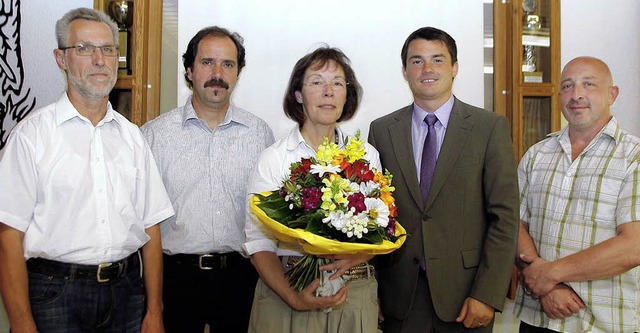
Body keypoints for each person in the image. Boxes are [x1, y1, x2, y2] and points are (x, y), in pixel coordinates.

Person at [0, 7, 174, 333]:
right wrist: (21, 322)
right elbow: (8, 235)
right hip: (53, 294)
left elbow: (151, 228)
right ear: (61, 59)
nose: (99, 59)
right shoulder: (31, 136)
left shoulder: (132, 137)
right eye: (84, 49)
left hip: (126, 292)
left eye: (108, 49)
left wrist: (155, 311)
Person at [368, 26, 520, 332]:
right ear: (404, 71)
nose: (427, 69)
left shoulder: (488, 128)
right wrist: (374, 292)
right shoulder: (382, 130)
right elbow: (374, 215)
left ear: (454, 67)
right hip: (399, 296)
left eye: (437, 60)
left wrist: (487, 294)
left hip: (466, 296)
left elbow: (504, 217)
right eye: (416, 61)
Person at [141, 26, 274, 333]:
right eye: (207, 63)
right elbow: (143, 223)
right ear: (189, 70)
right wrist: (152, 307)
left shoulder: (260, 135)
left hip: (241, 278)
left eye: (227, 64)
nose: (218, 73)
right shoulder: (153, 136)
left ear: (238, 72)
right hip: (175, 281)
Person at [244, 46, 381, 333]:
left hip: (353, 294)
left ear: (348, 95)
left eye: (337, 83)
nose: (328, 91)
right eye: (317, 82)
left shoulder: (366, 157)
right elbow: (258, 242)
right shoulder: (275, 158)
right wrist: (293, 296)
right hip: (287, 291)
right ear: (298, 94)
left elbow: (381, 226)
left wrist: (356, 256)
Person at [515, 56, 640, 332]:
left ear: (612, 94)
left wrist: (549, 274)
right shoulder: (537, 154)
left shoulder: (634, 157)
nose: (577, 95)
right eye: (568, 86)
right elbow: (514, 225)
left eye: (589, 84)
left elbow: (633, 246)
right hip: (538, 317)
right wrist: (547, 288)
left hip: (602, 323)